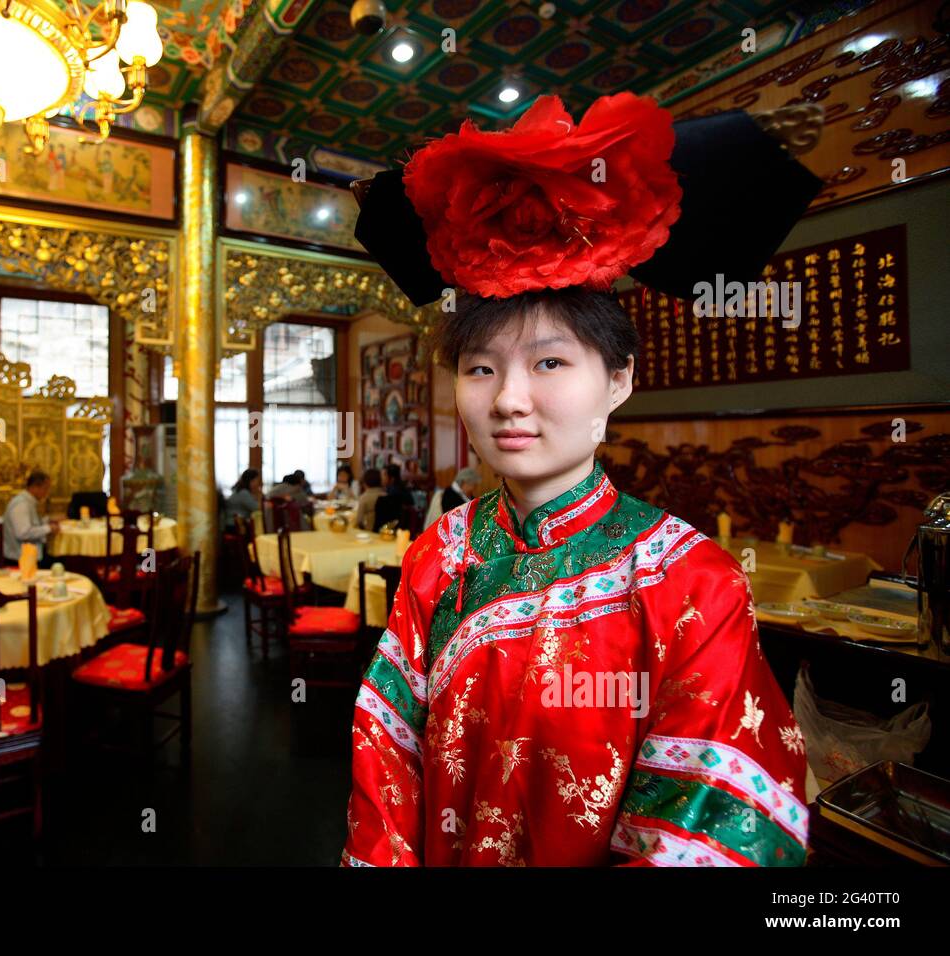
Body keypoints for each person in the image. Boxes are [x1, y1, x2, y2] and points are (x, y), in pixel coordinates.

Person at [342, 90, 820, 866]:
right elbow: (387, 758)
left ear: (619, 382)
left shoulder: (691, 584)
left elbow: (705, 827)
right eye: (480, 367)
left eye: (550, 362)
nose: (509, 399)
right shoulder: (437, 557)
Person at [2, 470, 59, 564]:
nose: (46, 493)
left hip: (28, 555)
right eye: (45, 489)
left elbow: (33, 523)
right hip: (20, 558)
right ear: (35, 487)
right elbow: (23, 533)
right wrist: (48, 528)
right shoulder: (21, 504)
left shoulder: (28, 502)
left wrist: (48, 520)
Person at [373, 462, 410, 531]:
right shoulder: (396, 487)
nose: (381, 478)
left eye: (384, 475)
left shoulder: (395, 493)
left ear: (392, 478)